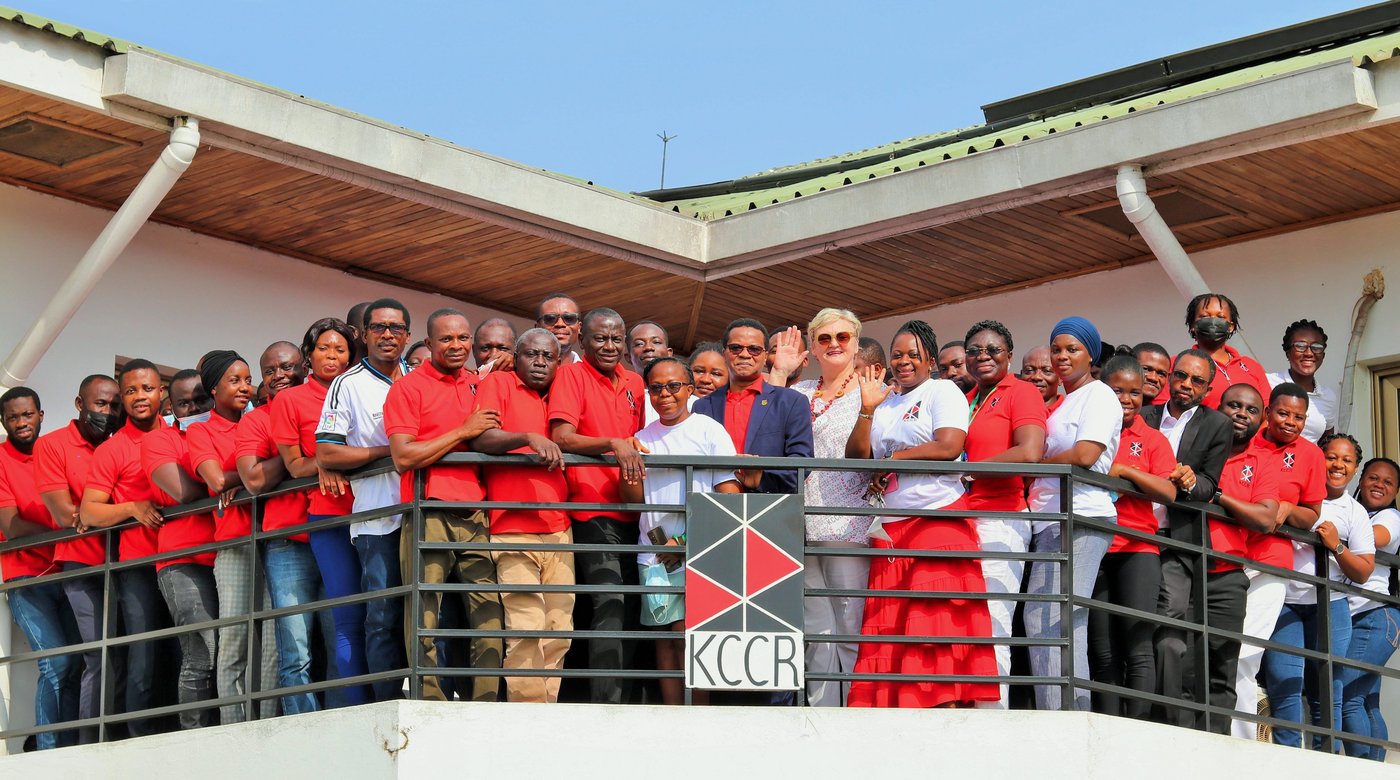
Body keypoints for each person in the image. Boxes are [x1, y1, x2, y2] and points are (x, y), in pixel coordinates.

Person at [844, 319, 996, 709]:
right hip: (893, 528)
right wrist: (866, 408)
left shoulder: (942, 390)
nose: (904, 361)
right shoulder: (887, 401)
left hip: (937, 519)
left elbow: (949, 447)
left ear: (930, 357)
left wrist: (893, 459)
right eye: (897, 355)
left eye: (913, 354)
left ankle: (944, 715)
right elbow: (856, 459)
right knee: (894, 629)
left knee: (935, 630)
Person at [384, 307, 505, 702]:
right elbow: (403, 456)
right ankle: (429, 701)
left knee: (489, 612)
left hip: (476, 511)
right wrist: (464, 431)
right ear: (429, 343)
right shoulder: (407, 387)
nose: (457, 346)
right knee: (423, 613)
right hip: (428, 510)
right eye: (447, 339)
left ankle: (485, 701)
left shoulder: (478, 383)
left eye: (463, 338)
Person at [621, 356, 740, 706]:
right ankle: (675, 716)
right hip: (653, 553)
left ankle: (698, 716)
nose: (665, 394)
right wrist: (627, 460)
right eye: (656, 388)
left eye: (674, 386)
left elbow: (730, 499)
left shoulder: (709, 430)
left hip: (700, 550)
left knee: (689, 637)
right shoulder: (641, 438)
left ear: (689, 389)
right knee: (665, 640)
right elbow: (631, 499)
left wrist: (687, 542)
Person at [78, 359, 181, 737]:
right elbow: (89, 511)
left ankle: (180, 729)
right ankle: (138, 738)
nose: (141, 397)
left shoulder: (178, 434)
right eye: (132, 390)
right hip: (138, 563)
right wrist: (132, 508)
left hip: (183, 557)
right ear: (122, 398)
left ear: (161, 393)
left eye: (148, 389)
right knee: (143, 652)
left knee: (184, 648)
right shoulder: (111, 449)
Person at [548, 307, 646, 704]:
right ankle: (607, 705)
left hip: (637, 509)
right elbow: (562, 436)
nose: (609, 346)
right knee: (608, 602)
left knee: (636, 606)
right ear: (583, 341)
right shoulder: (570, 375)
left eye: (616, 339)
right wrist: (612, 442)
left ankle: (632, 699)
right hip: (591, 508)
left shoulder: (637, 381)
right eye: (600, 339)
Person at [316, 298, 412, 701]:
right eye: (378, 328)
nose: (387, 335)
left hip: (422, 514)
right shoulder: (348, 383)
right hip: (377, 519)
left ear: (407, 335)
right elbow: (329, 453)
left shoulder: (420, 378)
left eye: (395, 328)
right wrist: (389, 453)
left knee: (429, 610)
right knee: (382, 616)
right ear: (364, 335)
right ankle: (386, 704)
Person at [1024, 317, 1121, 711]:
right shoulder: (1064, 402)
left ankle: (1064, 715)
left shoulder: (1100, 395)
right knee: (1057, 618)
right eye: (1057, 349)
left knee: (1051, 618)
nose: (1062, 356)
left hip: (1080, 516)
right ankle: (1066, 711)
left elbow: (1085, 455)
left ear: (1091, 355)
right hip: (1050, 518)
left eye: (1072, 349)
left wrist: (1037, 462)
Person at [272, 317, 371, 705]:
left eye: (340, 349)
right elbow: (295, 465)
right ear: (308, 355)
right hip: (329, 515)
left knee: (379, 615)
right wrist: (324, 460)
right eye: (324, 349)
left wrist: (335, 458)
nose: (332, 356)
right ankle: (353, 709)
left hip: (377, 512)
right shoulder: (290, 400)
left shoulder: (360, 390)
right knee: (344, 619)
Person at [471, 328, 572, 703]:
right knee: (526, 627)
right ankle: (527, 716)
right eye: (531, 354)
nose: (540, 362)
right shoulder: (499, 383)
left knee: (559, 630)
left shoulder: (561, 391)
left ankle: (544, 712)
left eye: (548, 356)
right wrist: (528, 436)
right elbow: (482, 438)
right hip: (511, 526)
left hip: (560, 525)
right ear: (517, 355)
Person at [1139, 348, 1233, 728]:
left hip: (1175, 538)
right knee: (1128, 618)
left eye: (1197, 381)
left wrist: (1192, 483)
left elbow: (1211, 483)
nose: (1186, 385)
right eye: (1181, 376)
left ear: (1208, 388)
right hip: (1131, 530)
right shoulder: (1143, 414)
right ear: (1169, 377)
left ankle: (1169, 719)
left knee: (1170, 621)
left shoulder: (1217, 425)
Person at [1265, 433, 1374, 749]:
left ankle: (1326, 758)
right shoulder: (1296, 492)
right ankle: (1288, 757)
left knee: (1327, 689)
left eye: (1347, 460)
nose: (1338, 465)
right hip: (1285, 600)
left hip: (1332, 604)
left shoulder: (1354, 512)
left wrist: (1336, 546)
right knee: (1284, 681)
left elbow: (1364, 570)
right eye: (1331, 457)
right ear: (1317, 458)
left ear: (1355, 468)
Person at [1232, 382, 1328, 739]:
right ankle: (1223, 727)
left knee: (1246, 652)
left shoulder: (1311, 455)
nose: (1290, 422)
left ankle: (1239, 736)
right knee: (1221, 645)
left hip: (1272, 560)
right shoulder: (1247, 438)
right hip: (1229, 553)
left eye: (1299, 417)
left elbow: (1312, 515)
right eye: (1283, 413)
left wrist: (1288, 509)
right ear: (1268, 411)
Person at [187, 351, 279, 723]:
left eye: (246, 380)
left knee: (274, 643)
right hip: (235, 544)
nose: (245, 387)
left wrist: (251, 477)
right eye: (234, 381)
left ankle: (268, 721)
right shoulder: (201, 430)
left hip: (275, 539)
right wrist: (252, 477)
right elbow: (216, 480)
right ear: (213, 388)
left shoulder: (262, 420)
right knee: (234, 641)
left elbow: (280, 466)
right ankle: (233, 726)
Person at [961, 320, 1046, 708]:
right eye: (975, 351)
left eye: (993, 350)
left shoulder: (1022, 392)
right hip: (964, 520)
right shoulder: (967, 399)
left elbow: (1029, 453)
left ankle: (993, 717)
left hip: (1003, 517)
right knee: (965, 624)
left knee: (993, 622)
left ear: (1009, 355)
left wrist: (966, 470)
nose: (983, 357)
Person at [790, 308, 873, 707]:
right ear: (813, 346)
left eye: (843, 337)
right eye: (825, 339)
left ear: (856, 343)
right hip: (802, 526)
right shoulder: (799, 393)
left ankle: (854, 718)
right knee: (816, 631)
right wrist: (780, 371)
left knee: (850, 627)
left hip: (850, 527)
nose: (835, 344)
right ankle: (821, 715)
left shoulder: (873, 393)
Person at [238, 341, 324, 715]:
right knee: (295, 647)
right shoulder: (256, 419)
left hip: (336, 530)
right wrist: (294, 457)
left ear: (304, 366)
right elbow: (254, 480)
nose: (279, 376)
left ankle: (341, 721)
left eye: (286, 367)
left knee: (343, 636)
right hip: (287, 541)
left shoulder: (328, 402)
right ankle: (303, 728)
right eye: (270, 371)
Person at [35, 374, 120, 744]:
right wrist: (118, 512)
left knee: (133, 650)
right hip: (81, 563)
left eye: (114, 406)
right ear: (79, 404)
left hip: (129, 559)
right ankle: (91, 742)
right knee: (98, 654)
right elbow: (65, 514)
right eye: (101, 404)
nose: (108, 412)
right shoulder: (53, 445)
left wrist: (101, 512)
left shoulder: (121, 444)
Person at [1088, 357, 1174, 719]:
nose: (1127, 398)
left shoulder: (1152, 439)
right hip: (1094, 544)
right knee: (1102, 650)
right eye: (1117, 390)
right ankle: (1107, 727)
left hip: (1137, 547)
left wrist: (1124, 471)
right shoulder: (1089, 428)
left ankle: (1137, 732)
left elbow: (1168, 491)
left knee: (1138, 646)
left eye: (1135, 392)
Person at [0, 387, 80, 749]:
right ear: (4, 421)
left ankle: (70, 744)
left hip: (69, 570)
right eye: (13, 417)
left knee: (82, 662)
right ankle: (47, 751)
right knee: (58, 664)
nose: (21, 423)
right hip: (25, 577)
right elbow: (12, 526)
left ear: (41, 415)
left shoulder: (54, 451)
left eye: (27, 415)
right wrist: (65, 526)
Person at [141, 372, 220, 730]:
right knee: (202, 652)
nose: (193, 408)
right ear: (169, 407)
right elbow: (184, 492)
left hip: (230, 552)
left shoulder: (226, 428)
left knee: (235, 648)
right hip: (183, 560)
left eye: (201, 400)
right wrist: (225, 480)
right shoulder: (158, 440)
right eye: (184, 403)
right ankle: (194, 736)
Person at [693, 318, 813, 495]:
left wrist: (761, 478)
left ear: (765, 356)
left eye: (754, 349)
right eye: (736, 348)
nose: (744, 354)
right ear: (724, 353)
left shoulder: (791, 402)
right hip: (712, 508)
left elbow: (802, 463)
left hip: (769, 509)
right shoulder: (702, 406)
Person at [1341, 457, 1400, 759]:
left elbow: (1376, 539)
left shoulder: (1389, 517)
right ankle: (1377, 768)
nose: (1379, 485)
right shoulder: (1356, 510)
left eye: (1388, 482)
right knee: (1365, 700)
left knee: (1347, 695)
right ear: (1361, 480)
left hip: (1376, 616)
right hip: (1364, 616)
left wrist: (1335, 528)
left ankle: (1362, 769)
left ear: (1395, 491)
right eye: (1374, 478)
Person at [1183, 292, 1270, 410]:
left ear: (1231, 326)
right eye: (1205, 316)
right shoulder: (1179, 365)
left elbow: (1269, 412)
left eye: (1220, 317)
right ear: (1193, 324)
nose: (1213, 322)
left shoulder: (1252, 367)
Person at [1266, 319, 1337, 443]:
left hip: (1307, 462)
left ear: (1323, 355)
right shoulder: (1268, 382)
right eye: (1300, 346)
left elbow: (1326, 442)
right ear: (1288, 353)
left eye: (1316, 347)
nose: (1309, 353)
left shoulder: (1328, 396)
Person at [629, 321, 675, 425]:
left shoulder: (689, 401)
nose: (648, 347)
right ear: (628, 357)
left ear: (669, 353)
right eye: (639, 344)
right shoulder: (619, 396)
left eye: (656, 342)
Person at [536, 292, 583, 363]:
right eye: (550, 318)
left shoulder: (591, 373)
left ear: (579, 327)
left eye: (569, 318)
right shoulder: (520, 371)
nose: (560, 324)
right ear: (537, 328)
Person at [1132, 342, 1171, 407]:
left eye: (1161, 374)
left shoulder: (1163, 416)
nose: (1153, 378)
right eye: (1146, 369)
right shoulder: (1110, 403)